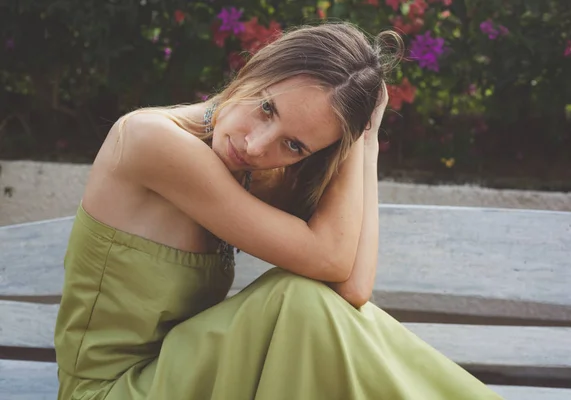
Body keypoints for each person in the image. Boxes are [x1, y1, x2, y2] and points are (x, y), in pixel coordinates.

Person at [54, 22, 503, 399]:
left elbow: (351, 286)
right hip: (111, 391)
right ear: (256, 66)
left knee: (307, 305)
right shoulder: (149, 140)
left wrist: (363, 138)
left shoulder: (253, 171)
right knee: (295, 300)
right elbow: (330, 258)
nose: (254, 145)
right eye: (266, 107)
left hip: (191, 377)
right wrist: (349, 130)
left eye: (294, 144)